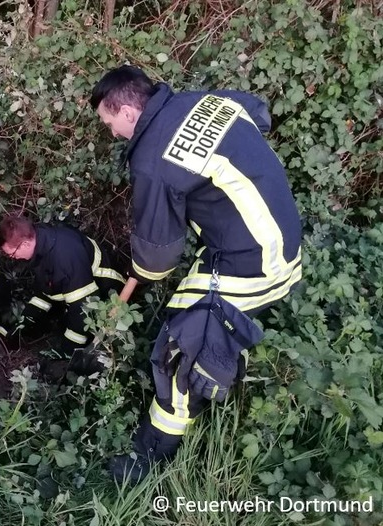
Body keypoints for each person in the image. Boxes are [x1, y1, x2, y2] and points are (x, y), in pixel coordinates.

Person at [90, 65, 302, 482]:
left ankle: (152, 454)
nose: (112, 133)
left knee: (178, 348)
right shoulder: (206, 102)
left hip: (249, 262)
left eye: (109, 122)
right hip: (284, 241)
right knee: (199, 325)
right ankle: (216, 369)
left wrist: (140, 269)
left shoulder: (153, 160)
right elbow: (259, 113)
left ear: (129, 112)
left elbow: (158, 259)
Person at [0, 215, 126, 368]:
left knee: (77, 343)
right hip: (80, 291)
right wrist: (27, 319)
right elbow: (47, 289)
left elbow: (83, 306)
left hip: (108, 293)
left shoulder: (65, 255)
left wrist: (67, 351)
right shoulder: (41, 245)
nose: (13, 258)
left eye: (12, 254)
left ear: (25, 244)